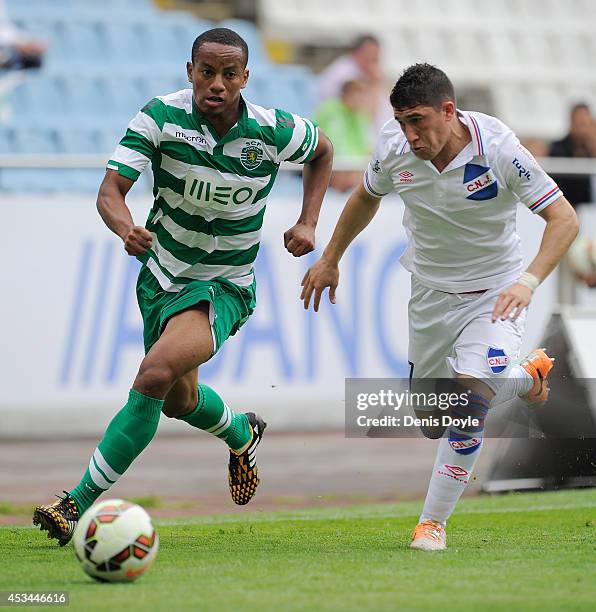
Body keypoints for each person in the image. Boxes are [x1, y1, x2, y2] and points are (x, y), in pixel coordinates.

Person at [33, 27, 333, 545]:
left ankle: (74, 503)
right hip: (162, 278)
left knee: (153, 374)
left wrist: (308, 221)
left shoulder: (273, 129)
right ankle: (242, 432)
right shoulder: (160, 117)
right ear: (190, 71)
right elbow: (111, 190)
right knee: (177, 399)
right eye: (206, 71)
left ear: (245, 78)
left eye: (228, 74)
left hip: (225, 285)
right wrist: (125, 226)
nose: (216, 83)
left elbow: (323, 151)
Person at [302, 63, 578, 551]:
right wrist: (330, 259)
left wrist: (529, 281)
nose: (410, 134)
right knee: (433, 418)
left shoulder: (498, 147)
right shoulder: (392, 148)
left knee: (468, 406)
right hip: (430, 296)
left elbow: (563, 219)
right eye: (402, 121)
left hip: (495, 295)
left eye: (419, 121)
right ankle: (524, 379)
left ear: (449, 111)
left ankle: (432, 524)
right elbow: (365, 198)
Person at [317, 34, 390, 130]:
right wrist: (375, 85)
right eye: (370, 54)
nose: (374, 60)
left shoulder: (364, 72)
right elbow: (367, 115)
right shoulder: (344, 74)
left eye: (376, 56)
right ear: (357, 53)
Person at [314, 79, 373, 192]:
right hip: (328, 161)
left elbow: (367, 144)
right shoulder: (330, 110)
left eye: (362, 97)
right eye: (356, 96)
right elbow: (334, 145)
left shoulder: (360, 114)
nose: (359, 101)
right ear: (345, 95)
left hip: (352, 165)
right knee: (345, 170)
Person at [549, 103, 596, 208]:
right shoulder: (558, 147)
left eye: (585, 121)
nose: (582, 125)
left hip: (589, 209)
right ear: (571, 120)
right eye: (579, 120)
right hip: (565, 205)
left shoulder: (591, 146)